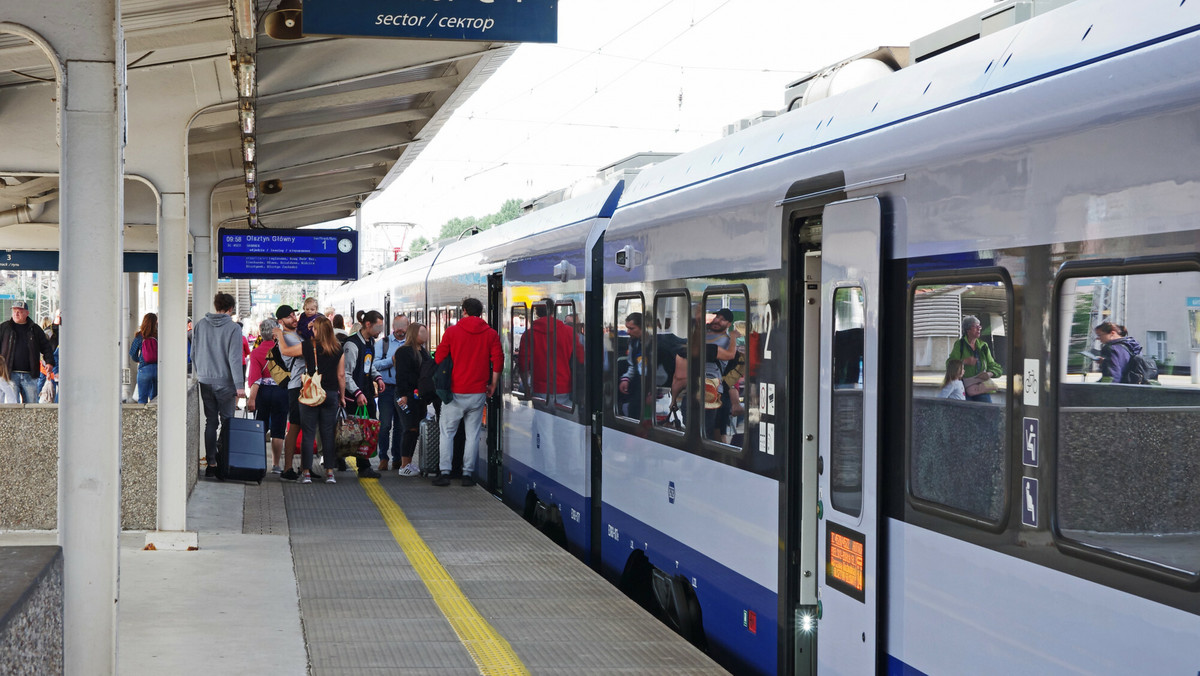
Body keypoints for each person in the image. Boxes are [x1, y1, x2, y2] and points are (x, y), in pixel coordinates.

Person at [432, 298, 502, 487]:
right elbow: (498, 360)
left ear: (464, 311)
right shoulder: (491, 333)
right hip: (478, 393)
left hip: (454, 392)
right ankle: (467, 474)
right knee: (473, 435)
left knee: (447, 433)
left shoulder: (452, 331)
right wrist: (493, 384)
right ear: (480, 313)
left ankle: (445, 472)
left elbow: (439, 357)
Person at [193, 293, 247, 479]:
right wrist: (240, 386)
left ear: (216, 305)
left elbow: (194, 352)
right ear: (231, 309)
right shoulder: (233, 328)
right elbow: (234, 358)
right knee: (227, 422)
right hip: (225, 383)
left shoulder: (200, 325)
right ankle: (225, 462)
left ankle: (211, 463)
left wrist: (199, 373)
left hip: (205, 381)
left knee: (211, 422)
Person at [298, 316, 347, 484]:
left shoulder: (308, 346)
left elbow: (285, 350)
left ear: (317, 330)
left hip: (312, 394)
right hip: (331, 394)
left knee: (309, 434)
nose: (311, 330)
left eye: (314, 328)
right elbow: (341, 375)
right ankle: (330, 473)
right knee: (328, 433)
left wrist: (280, 336)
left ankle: (306, 473)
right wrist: (342, 396)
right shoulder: (337, 348)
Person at [342, 310, 386, 479]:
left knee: (366, 429)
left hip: (365, 393)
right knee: (351, 430)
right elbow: (346, 374)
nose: (380, 330)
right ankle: (341, 461)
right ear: (368, 324)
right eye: (378, 326)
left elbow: (368, 365)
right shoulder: (352, 345)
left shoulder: (370, 343)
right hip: (353, 396)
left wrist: (378, 377)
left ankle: (364, 465)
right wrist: (357, 393)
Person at [271, 305, 310, 480]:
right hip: (296, 387)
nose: (294, 318)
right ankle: (288, 467)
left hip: (305, 385)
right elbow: (308, 350)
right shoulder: (287, 338)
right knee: (294, 426)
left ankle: (304, 467)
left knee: (305, 426)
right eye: (289, 317)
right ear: (281, 321)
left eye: (294, 314)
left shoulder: (296, 335)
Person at [247, 318, 289, 474]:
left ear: (261, 334)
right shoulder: (284, 350)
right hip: (281, 391)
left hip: (263, 393)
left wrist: (252, 399)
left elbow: (256, 380)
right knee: (278, 429)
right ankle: (276, 465)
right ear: (275, 334)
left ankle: (257, 463)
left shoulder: (256, 353)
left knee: (260, 427)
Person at [518, 301, 575, 405]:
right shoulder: (569, 332)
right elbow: (578, 359)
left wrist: (526, 388)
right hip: (564, 388)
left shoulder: (529, 335)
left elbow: (523, 365)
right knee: (563, 421)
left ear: (537, 313)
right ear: (553, 311)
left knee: (541, 420)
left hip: (540, 389)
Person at [372, 314, 410, 471]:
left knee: (400, 426)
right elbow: (375, 365)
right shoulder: (384, 344)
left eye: (404, 326)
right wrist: (392, 360)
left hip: (403, 390)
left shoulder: (411, 343)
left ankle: (397, 458)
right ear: (393, 327)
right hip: (387, 389)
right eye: (398, 326)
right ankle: (383, 457)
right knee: (385, 424)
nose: (401, 330)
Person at [392, 322, 430, 477]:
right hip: (407, 396)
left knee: (415, 429)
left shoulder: (423, 351)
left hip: (418, 397)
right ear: (414, 333)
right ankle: (404, 465)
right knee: (410, 428)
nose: (426, 335)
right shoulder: (404, 352)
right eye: (422, 332)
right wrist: (403, 395)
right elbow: (401, 375)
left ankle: (408, 463)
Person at [0, 300, 55, 403]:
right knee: (12, 407)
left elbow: (46, 347)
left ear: (27, 313)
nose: (16, 313)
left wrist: (49, 362)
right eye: (14, 311)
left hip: (30, 375)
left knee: (31, 406)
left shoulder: (35, 330)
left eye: (19, 311)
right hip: (9, 374)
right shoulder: (4, 328)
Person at [703, 308, 741, 442]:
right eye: (717, 317)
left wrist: (733, 337)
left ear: (729, 324)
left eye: (723, 319)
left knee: (715, 431)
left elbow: (730, 357)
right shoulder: (704, 335)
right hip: (702, 388)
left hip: (715, 390)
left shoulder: (727, 341)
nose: (718, 320)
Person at [947, 315, 1002, 403]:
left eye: (979, 326)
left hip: (982, 388)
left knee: (988, 413)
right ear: (968, 330)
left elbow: (995, 367)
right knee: (968, 413)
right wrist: (964, 361)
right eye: (976, 326)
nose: (979, 328)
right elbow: (949, 364)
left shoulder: (983, 346)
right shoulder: (959, 344)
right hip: (964, 389)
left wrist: (990, 373)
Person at [128, 312, 159, 403]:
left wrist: (139, 360)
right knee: (155, 399)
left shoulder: (140, 335)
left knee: (142, 398)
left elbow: (133, 353)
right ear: (155, 322)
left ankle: (141, 417)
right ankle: (156, 417)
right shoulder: (159, 335)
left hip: (144, 369)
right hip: (158, 369)